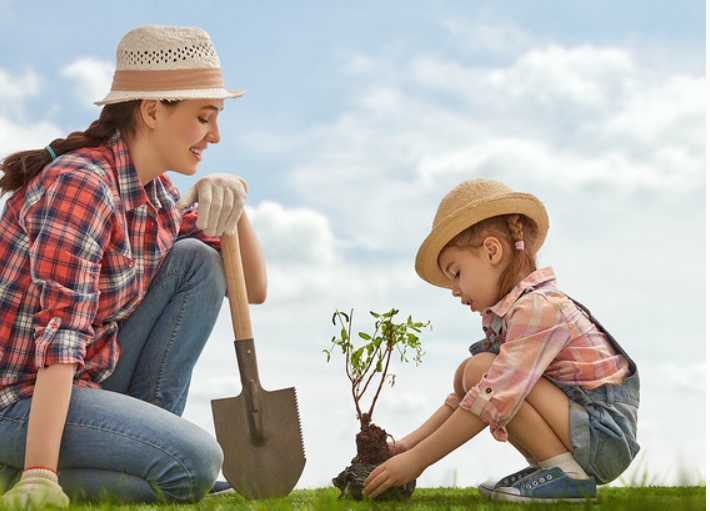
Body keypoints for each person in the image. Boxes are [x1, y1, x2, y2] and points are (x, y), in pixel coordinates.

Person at [0, 25, 267, 508]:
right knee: (200, 462)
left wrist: (235, 202)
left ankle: (154, 455)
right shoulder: (81, 183)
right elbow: (60, 337)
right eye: (204, 117)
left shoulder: (156, 195)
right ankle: (22, 473)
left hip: (86, 385)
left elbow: (252, 288)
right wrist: (40, 475)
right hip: (17, 400)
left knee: (198, 263)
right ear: (150, 111)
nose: (216, 135)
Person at [363, 179, 640, 503]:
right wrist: (410, 445)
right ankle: (552, 467)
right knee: (471, 373)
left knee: (483, 372)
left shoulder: (539, 308)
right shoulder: (514, 313)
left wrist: (418, 461)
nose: (454, 289)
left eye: (456, 272)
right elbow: (467, 397)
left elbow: (493, 395)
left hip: (603, 437)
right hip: (585, 428)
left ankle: (568, 475)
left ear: (492, 251)